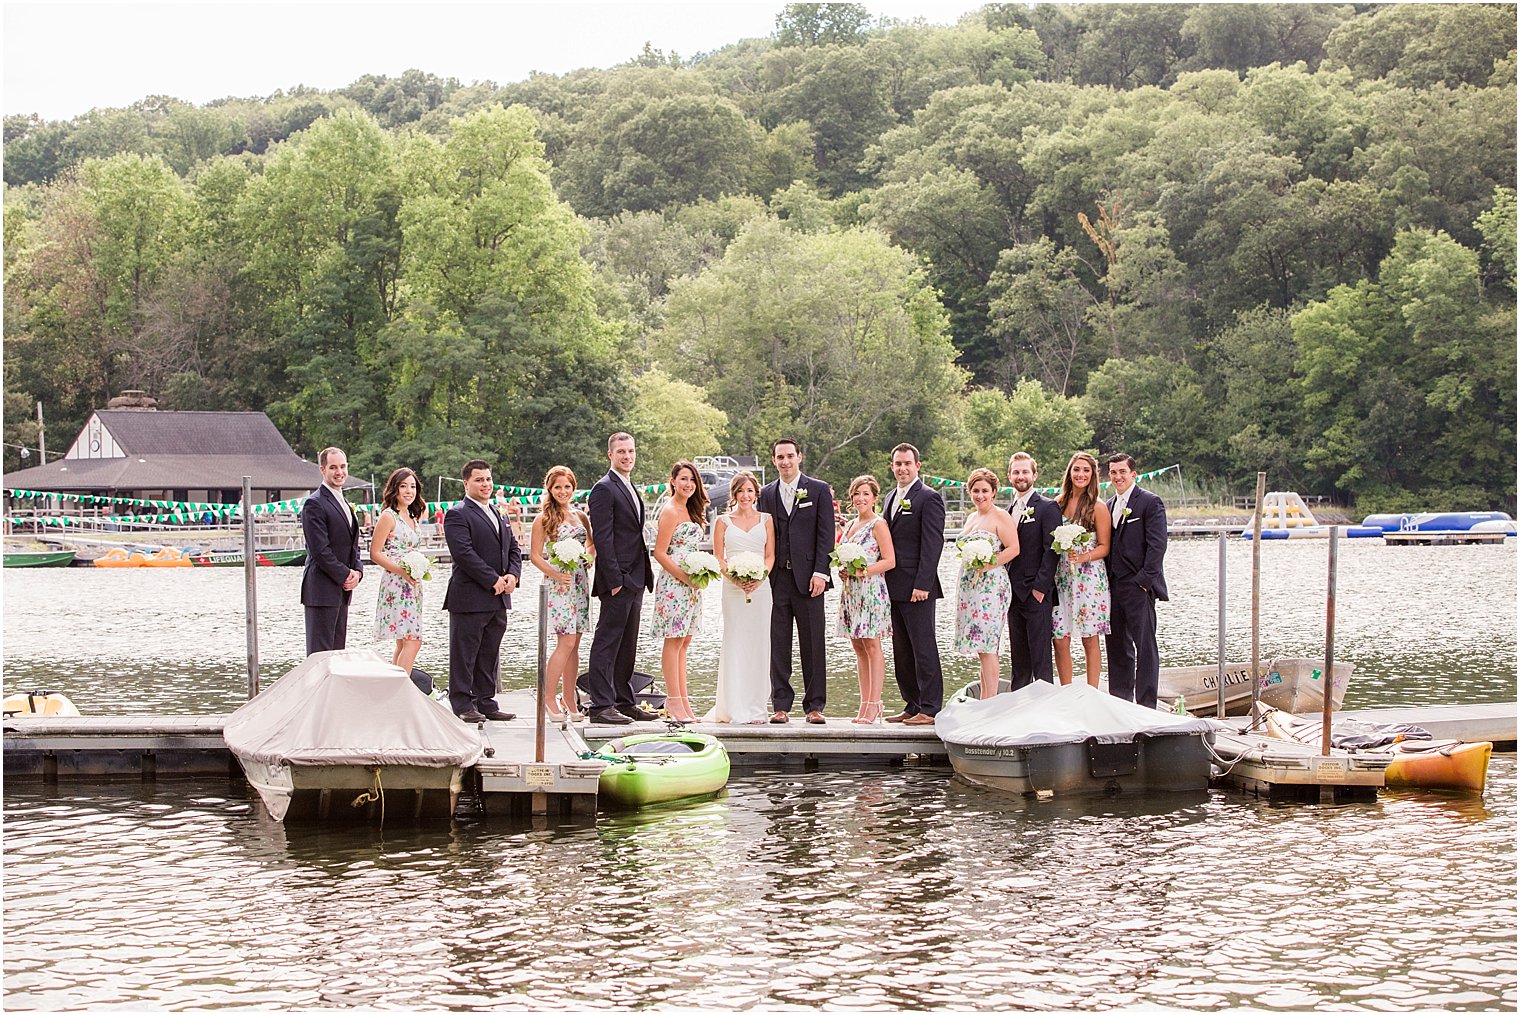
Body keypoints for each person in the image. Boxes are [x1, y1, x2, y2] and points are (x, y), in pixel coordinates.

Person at [757, 438, 835, 725]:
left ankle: (815, 706)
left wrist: (821, 572)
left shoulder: (818, 490)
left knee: (813, 643)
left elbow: (826, 534)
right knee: (778, 643)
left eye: (790, 456)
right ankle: (780, 705)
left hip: (810, 580)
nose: (785, 461)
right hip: (777, 579)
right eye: (780, 457)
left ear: (799, 457)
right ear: (774, 459)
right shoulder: (766, 494)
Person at [586, 432, 657, 726]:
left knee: (628, 643)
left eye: (631, 451)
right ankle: (601, 705)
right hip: (618, 579)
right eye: (621, 452)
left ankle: (624, 701)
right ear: (610, 455)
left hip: (637, 577)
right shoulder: (604, 488)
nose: (627, 456)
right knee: (607, 641)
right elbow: (602, 537)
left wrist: (637, 577)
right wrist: (615, 578)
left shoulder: (629, 486)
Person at [442, 459, 521, 723]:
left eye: (488, 479)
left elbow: (513, 549)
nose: (485, 484)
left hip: (499, 598)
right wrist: (492, 579)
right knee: (465, 653)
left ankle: (486, 701)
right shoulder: (458, 514)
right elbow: (464, 553)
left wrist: (512, 575)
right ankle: (463, 703)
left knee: (489, 652)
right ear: (466, 483)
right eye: (479, 480)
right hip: (470, 596)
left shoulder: (500, 513)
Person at [882, 443, 946, 726]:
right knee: (902, 650)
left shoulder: (929, 498)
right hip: (892, 586)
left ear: (917, 465)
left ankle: (930, 708)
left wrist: (923, 583)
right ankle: (912, 703)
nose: (902, 468)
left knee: (923, 647)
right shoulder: (890, 497)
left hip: (918, 588)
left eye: (907, 463)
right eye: (898, 464)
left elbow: (933, 544)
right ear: (892, 466)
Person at [704, 472, 775, 724]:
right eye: (740, 491)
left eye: (750, 491)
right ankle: (733, 706)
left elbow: (770, 556)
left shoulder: (766, 520)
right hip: (732, 589)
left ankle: (756, 708)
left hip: (761, 588)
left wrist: (760, 576)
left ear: (756, 493)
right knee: (735, 642)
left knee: (758, 645)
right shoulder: (722, 521)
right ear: (733, 494)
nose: (745, 496)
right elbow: (719, 557)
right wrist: (735, 578)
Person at [529, 465, 593, 723]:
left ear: (573, 488)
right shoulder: (543, 519)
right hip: (559, 584)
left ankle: (569, 698)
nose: (563, 491)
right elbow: (534, 556)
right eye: (558, 487)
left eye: (567, 487)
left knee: (575, 644)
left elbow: (591, 543)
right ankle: (547, 698)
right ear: (550, 489)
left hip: (579, 581)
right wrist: (555, 574)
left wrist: (589, 557)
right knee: (564, 642)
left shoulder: (580, 516)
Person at [1104, 453, 1169, 709]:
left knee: (1145, 647)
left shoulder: (1150, 503)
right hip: (1112, 586)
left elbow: (1157, 545)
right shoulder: (1108, 505)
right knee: (1117, 646)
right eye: (1113, 472)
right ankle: (1120, 701)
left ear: (1133, 474)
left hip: (1138, 586)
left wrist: (1143, 581)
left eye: (1122, 471)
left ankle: (1146, 704)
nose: (1117, 477)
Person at [953, 468, 1020, 699]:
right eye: (975, 490)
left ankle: (990, 702)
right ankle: (984, 698)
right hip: (970, 585)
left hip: (991, 586)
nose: (980, 495)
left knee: (988, 644)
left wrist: (989, 564)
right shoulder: (972, 517)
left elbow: (1014, 548)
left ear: (993, 492)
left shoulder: (1001, 516)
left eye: (984, 491)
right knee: (980, 647)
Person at [651, 461, 708, 722]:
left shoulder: (690, 510)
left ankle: (684, 703)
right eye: (684, 479)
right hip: (675, 584)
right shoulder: (671, 510)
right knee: (673, 640)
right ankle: (673, 703)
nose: (688, 484)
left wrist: (700, 574)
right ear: (672, 481)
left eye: (692, 480)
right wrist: (685, 577)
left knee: (685, 641)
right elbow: (660, 553)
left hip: (692, 585)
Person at [836, 475, 895, 724]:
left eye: (865, 494)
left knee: (872, 646)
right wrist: (843, 570)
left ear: (874, 498)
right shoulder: (849, 526)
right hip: (851, 592)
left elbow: (889, 561)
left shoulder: (878, 524)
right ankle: (863, 703)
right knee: (858, 648)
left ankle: (874, 704)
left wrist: (863, 571)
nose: (861, 498)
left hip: (871, 590)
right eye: (856, 494)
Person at [1052, 452, 1112, 688]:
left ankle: (1091, 691)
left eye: (1086, 470)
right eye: (1077, 469)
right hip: (1063, 578)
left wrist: (1084, 556)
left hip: (1089, 578)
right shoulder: (1057, 503)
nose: (1081, 474)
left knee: (1089, 636)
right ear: (1070, 472)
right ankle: (1066, 690)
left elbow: (1105, 547)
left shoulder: (1098, 507)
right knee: (1060, 637)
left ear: (1093, 475)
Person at [1005, 451, 1061, 690]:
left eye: (1025, 471)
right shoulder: (1008, 510)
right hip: (1011, 593)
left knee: (1040, 655)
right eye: (1016, 472)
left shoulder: (1048, 508)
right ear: (1009, 476)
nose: (1021, 476)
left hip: (1036, 592)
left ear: (1034, 475)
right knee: (1018, 657)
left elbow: (1052, 551)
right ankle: (1018, 705)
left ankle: (1044, 706)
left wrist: (1040, 588)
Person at [300, 446, 363, 655]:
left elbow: (353, 545)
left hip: (342, 591)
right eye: (333, 467)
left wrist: (358, 572)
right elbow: (320, 551)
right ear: (322, 469)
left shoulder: (344, 501)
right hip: (321, 590)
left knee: (338, 655)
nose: (339, 472)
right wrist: (345, 574)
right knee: (320, 656)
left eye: (343, 467)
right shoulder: (314, 503)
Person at [370, 467, 428, 682]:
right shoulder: (388, 516)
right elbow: (375, 553)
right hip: (397, 581)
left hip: (412, 583)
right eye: (403, 486)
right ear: (394, 489)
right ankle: (402, 689)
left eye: (412, 486)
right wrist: (401, 570)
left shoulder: (412, 516)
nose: (408, 491)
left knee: (404, 641)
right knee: (413, 640)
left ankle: (393, 687)